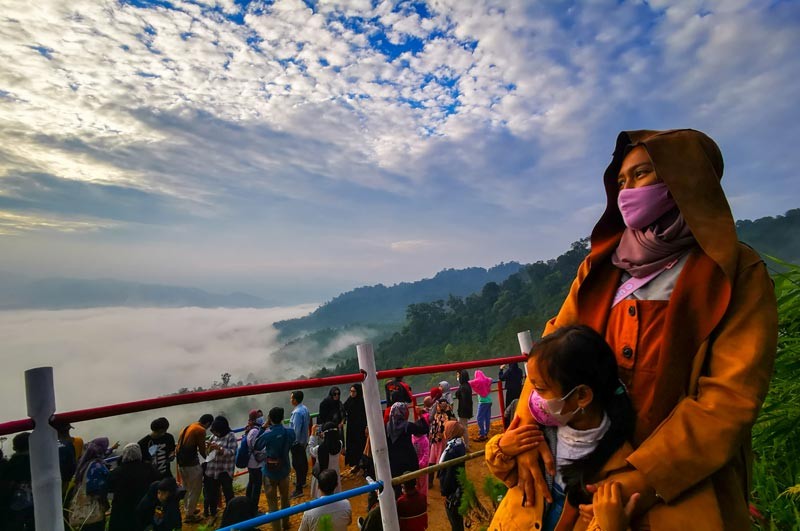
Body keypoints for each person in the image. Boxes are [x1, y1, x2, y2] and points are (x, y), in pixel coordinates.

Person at [507, 129, 778, 529]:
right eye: (620, 181)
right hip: (572, 475)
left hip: (677, 488)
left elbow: (728, 400)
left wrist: (642, 480)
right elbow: (550, 351)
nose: (627, 190)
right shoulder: (599, 268)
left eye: (642, 174)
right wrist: (526, 430)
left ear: (685, 178)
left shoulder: (735, 273)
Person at [487, 325, 638, 530]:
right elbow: (506, 474)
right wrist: (502, 447)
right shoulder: (537, 433)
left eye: (540, 389)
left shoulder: (618, 463)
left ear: (582, 396)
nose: (534, 399)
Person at [107, 443, 159, 531]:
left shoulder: (117, 472)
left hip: (121, 512)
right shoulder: (148, 468)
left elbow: (109, 487)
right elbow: (156, 482)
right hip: (143, 509)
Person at [260, 406, 295, 531]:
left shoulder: (267, 434)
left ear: (270, 418)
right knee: (285, 498)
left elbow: (257, 445)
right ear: (282, 418)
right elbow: (292, 441)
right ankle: (286, 524)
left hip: (269, 472)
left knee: (272, 502)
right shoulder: (290, 432)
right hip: (284, 470)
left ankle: (276, 528)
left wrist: (263, 427)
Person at [175, 413, 213, 523]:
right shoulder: (200, 430)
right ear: (207, 423)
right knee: (196, 488)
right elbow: (202, 450)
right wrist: (209, 459)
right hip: (191, 464)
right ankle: (189, 516)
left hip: (181, 463)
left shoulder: (188, 427)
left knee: (186, 487)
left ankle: (188, 510)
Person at [386, 402, 429, 498]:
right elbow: (424, 429)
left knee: (396, 485)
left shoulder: (387, 427)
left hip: (394, 462)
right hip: (409, 460)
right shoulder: (407, 426)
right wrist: (420, 415)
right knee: (410, 484)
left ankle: (398, 504)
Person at [69, 437, 111, 531]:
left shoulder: (84, 463)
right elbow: (96, 490)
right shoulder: (97, 466)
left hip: (83, 508)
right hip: (93, 511)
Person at [203, 415, 237, 521]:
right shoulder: (213, 437)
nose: (215, 434)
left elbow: (232, 452)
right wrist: (208, 447)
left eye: (216, 432)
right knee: (213, 493)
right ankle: (213, 513)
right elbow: (208, 454)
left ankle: (231, 513)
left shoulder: (231, 436)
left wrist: (220, 449)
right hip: (213, 470)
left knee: (228, 492)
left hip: (225, 470)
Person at [1, 433, 34, 531]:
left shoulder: (8, 465)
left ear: (15, 448)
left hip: (12, 513)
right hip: (35, 511)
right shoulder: (41, 462)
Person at [439, 420, 467, 531]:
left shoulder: (451, 450)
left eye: (446, 429)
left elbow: (448, 474)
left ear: (451, 432)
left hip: (453, 491)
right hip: (459, 486)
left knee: (455, 520)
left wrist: (445, 492)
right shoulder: (459, 443)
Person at [308, 422, 343, 499]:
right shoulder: (340, 444)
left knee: (320, 499)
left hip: (322, 478)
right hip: (335, 476)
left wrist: (312, 435)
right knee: (335, 497)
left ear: (325, 434)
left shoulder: (319, 449)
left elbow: (310, 450)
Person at [289, 390, 311, 499]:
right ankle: (302, 482)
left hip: (297, 443)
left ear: (295, 400)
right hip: (303, 441)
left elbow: (296, 430)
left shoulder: (297, 413)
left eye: (291, 398)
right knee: (303, 463)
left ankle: (299, 489)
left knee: (297, 465)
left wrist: (293, 443)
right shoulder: (305, 409)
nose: (290, 400)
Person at [427, 398, 453, 489]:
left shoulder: (435, 416)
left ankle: (430, 482)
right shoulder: (450, 415)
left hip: (436, 441)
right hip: (444, 441)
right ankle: (442, 483)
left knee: (432, 460)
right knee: (442, 461)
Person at [243, 409, 266, 511]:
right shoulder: (255, 431)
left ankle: (247, 504)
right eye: (259, 416)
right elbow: (257, 447)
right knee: (256, 486)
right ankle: (253, 509)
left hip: (251, 462)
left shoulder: (251, 429)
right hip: (255, 463)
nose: (261, 418)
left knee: (251, 482)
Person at [343, 384, 368, 471]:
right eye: (351, 391)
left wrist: (367, 426)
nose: (352, 393)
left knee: (362, 445)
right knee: (353, 446)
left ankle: (364, 464)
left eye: (354, 391)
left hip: (361, 427)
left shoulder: (362, 401)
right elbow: (343, 408)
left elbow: (366, 415)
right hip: (352, 427)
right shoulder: (350, 400)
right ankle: (355, 464)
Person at [470, 369, 493, 442]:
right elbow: (491, 379)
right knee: (487, 417)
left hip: (483, 402)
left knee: (479, 418)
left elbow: (468, 383)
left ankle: (482, 434)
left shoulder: (478, 381)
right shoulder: (486, 380)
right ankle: (486, 433)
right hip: (489, 401)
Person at [411, 409, 430, 497]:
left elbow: (426, 454)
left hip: (422, 466)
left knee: (423, 483)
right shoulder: (412, 437)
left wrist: (421, 464)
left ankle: (423, 498)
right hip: (414, 464)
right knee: (415, 482)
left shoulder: (425, 440)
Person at [454, 370, 473, 450]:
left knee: (463, 428)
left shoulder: (463, 387)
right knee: (464, 427)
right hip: (466, 410)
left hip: (463, 411)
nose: (457, 377)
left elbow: (462, 398)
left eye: (458, 375)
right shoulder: (467, 385)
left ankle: (466, 445)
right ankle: (466, 443)